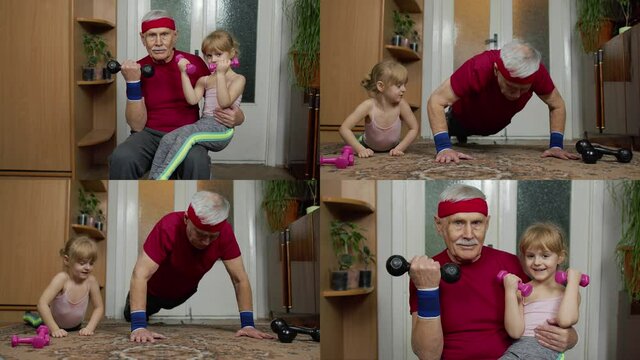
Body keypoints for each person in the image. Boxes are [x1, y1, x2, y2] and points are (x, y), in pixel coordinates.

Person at [408, 184, 578, 359]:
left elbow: (546, 310)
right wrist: (427, 289)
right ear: (439, 225)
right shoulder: (426, 273)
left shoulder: (512, 264)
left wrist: (570, 337)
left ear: (487, 224)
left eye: (476, 223)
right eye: (458, 223)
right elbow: (427, 355)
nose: (468, 234)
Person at [109, 10, 245, 180]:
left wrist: (238, 117)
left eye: (164, 34)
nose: (158, 42)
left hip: (188, 132)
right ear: (142, 39)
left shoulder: (194, 63)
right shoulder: (137, 69)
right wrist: (132, 83)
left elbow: (219, 98)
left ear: (175, 36)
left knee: (197, 160)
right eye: (151, 36)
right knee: (122, 157)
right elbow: (136, 126)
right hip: (149, 134)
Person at [124, 190, 273, 342]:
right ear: (186, 219)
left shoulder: (225, 233)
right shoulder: (168, 226)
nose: (206, 242)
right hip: (152, 293)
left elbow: (239, 279)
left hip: (182, 293)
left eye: (212, 237)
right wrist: (139, 326)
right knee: (130, 316)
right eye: (201, 235)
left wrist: (248, 325)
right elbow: (140, 274)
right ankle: (136, 306)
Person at [426, 39, 580, 164]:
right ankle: (457, 131)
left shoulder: (538, 73)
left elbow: (557, 105)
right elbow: (436, 100)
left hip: (495, 124)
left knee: (489, 128)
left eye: (524, 89)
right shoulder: (479, 65)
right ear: (495, 70)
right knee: (455, 128)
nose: (518, 95)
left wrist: (556, 146)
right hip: (462, 119)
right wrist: (444, 147)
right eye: (512, 87)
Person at [149, 29, 245, 180]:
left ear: (231, 54)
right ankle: (153, 178)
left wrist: (220, 75)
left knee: (188, 136)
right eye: (209, 55)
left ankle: (160, 178)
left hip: (221, 129)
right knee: (167, 138)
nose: (213, 60)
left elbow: (225, 102)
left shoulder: (238, 79)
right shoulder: (205, 80)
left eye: (218, 54)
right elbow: (192, 100)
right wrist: (183, 74)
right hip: (203, 123)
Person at [500, 223, 583, 360]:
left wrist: (573, 283)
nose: (537, 262)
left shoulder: (567, 292)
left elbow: (565, 321)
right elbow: (515, 332)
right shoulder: (521, 291)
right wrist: (510, 292)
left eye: (545, 256)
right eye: (530, 256)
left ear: (560, 257)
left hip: (545, 351)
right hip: (517, 350)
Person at [339, 60, 419, 158]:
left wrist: (399, 148)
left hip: (393, 147)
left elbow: (414, 128)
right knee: (353, 141)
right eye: (399, 86)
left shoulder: (402, 105)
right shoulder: (368, 106)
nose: (404, 89)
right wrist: (360, 149)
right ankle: (359, 138)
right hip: (367, 145)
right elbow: (344, 129)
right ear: (381, 86)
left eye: (404, 85)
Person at [37, 236, 104, 338]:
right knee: (38, 322)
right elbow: (42, 303)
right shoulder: (62, 279)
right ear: (67, 260)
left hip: (76, 326)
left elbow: (99, 307)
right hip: (55, 324)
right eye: (82, 263)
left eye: (91, 263)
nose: (87, 267)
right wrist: (54, 329)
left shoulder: (91, 281)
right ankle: (32, 317)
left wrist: (89, 328)